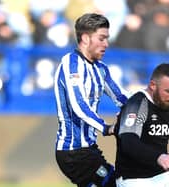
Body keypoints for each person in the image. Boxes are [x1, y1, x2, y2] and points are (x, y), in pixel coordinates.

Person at [54, 13, 129, 187]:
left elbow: (121, 97)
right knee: (112, 183)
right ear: (86, 38)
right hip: (72, 152)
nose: (106, 44)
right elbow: (78, 105)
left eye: (107, 39)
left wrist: (146, 103)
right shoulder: (70, 64)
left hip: (89, 149)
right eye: (101, 38)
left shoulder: (101, 69)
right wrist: (106, 127)